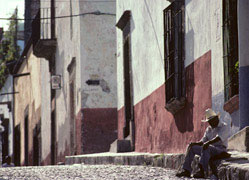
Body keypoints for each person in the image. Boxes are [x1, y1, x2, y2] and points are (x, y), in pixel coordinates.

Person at [176, 108, 230, 178]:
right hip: (208, 148)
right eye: (209, 122)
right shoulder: (209, 129)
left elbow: (219, 138)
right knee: (192, 148)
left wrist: (207, 143)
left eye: (211, 121)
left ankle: (202, 171)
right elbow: (203, 141)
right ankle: (187, 170)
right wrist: (195, 143)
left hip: (220, 149)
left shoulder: (224, 126)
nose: (210, 123)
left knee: (206, 147)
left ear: (216, 118)